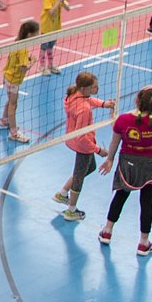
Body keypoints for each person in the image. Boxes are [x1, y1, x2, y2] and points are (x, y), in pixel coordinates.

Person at [98, 85, 152, 256]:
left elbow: (114, 142)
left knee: (121, 195)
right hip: (151, 164)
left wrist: (110, 159)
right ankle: (143, 243)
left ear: (137, 101)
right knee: (147, 202)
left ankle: (107, 232)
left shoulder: (123, 120)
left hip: (129, 163)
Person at [54, 71, 115, 222]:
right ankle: (71, 211)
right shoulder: (84, 109)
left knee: (90, 167)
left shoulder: (74, 94)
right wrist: (98, 150)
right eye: (94, 87)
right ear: (85, 88)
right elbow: (81, 136)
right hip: (83, 145)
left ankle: (62, 193)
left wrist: (103, 104)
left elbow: (88, 100)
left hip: (72, 139)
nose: (97, 89)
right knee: (79, 176)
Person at [0, 19, 38, 144]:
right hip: (13, 80)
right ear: (30, 35)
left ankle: (5, 120)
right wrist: (33, 61)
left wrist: (27, 58)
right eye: (36, 34)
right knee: (13, 104)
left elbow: (17, 59)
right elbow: (23, 68)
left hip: (7, 76)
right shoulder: (23, 49)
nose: (38, 35)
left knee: (10, 101)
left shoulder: (17, 41)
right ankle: (14, 133)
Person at [38, 0, 67, 74]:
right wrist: (58, 2)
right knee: (44, 47)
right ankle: (41, 67)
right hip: (47, 28)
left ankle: (50, 65)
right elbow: (51, 12)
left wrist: (63, 1)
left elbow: (68, 8)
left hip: (55, 28)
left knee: (51, 46)